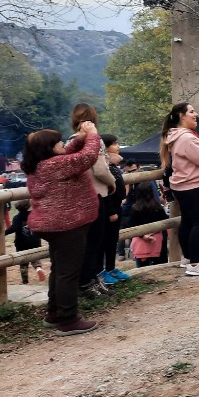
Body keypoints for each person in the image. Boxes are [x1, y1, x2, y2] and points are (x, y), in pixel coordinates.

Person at [23, 122, 102, 336]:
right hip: (67, 225)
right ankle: (68, 320)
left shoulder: (42, 164)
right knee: (68, 273)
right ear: (50, 148)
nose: (62, 145)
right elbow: (86, 158)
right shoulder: (55, 165)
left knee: (59, 269)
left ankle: (54, 313)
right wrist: (93, 135)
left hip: (52, 224)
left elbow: (70, 153)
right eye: (58, 143)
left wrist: (81, 138)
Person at [161, 102, 199, 276]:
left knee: (188, 221)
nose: (195, 115)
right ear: (181, 116)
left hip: (181, 186)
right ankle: (195, 263)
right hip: (193, 185)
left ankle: (187, 259)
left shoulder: (176, 136)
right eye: (192, 112)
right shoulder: (186, 138)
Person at [70, 103, 116, 299]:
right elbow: (100, 169)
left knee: (87, 242)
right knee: (94, 242)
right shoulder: (94, 140)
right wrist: (112, 182)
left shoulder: (70, 141)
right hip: (97, 194)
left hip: (80, 196)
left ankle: (90, 280)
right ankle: (87, 282)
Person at [98, 134, 130, 286]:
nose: (118, 146)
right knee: (105, 241)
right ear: (105, 146)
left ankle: (111, 268)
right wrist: (111, 211)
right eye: (115, 143)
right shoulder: (103, 165)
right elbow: (106, 192)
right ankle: (102, 272)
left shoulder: (114, 164)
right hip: (109, 209)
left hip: (117, 206)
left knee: (112, 240)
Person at [5, 200, 46, 284]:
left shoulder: (17, 217)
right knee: (35, 258)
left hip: (21, 243)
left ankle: (25, 281)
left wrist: (3, 233)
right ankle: (38, 268)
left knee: (23, 262)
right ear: (28, 207)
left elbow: (14, 228)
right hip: (34, 241)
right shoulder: (34, 215)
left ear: (18, 209)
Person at [129, 182, 168, 268]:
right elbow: (165, 222)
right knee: (159, 266)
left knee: (142, 267)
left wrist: (143, 236)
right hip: (156, 239)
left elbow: (131, 225)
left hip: (141, 240)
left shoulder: (135, 209)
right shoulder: (158, 208)